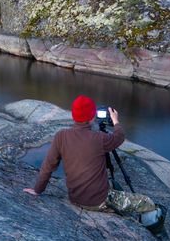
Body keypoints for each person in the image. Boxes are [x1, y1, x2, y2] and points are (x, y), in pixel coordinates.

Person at [23, 95, 160, 221]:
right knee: (147, 202)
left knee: (113, 186)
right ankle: (161, 240)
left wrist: (37, 190)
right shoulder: (99, 139)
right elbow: (119, 137)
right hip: (97, 201)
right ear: (91, 117)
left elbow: (48, 166)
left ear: (74, 115)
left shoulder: (61, 136)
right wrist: (116, 121)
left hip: (75, 198)